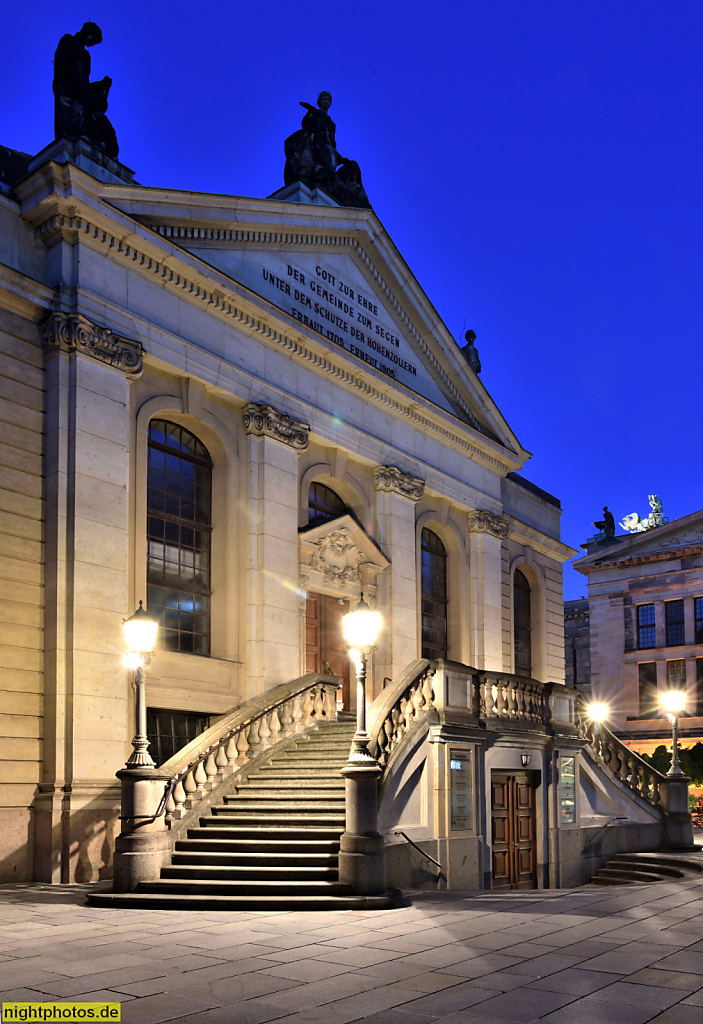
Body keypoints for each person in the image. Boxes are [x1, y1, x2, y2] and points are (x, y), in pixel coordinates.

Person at [53, 22, 118, 158]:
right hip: (66, 91)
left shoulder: (86, 56)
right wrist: (76, 84)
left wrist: (100, 84)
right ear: (88, 33)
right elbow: (62, 65)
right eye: (93, 40)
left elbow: (85, 82)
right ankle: (64, 158)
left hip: (80, 97)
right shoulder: (68, 41)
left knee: (78, 130)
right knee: (65, 128)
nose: (92, 44)